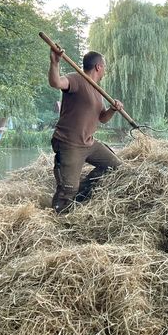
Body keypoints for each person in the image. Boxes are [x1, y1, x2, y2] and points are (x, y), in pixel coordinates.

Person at [48, 48, 123, 214]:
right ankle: (55, 218)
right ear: (98, 67)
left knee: (115, 166)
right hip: (69, 143)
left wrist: (112, 109)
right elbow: (56, 83)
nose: (105, 70)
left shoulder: (97, 91)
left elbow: (102, 118)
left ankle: (80, 194)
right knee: (67, 190)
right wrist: (55, 62)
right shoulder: (76, 79)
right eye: (104, 67)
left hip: (88, 142)